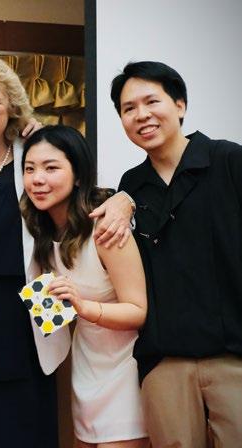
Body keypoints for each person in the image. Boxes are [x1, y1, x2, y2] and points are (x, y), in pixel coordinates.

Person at [0, 56, 135, 448]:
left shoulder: (30, 156)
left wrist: (126, 200)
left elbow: (82, 194)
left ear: (12, 108)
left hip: (23, 338)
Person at [111, 61, 242, 448]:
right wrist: (121, 199)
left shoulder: (228, 160)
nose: (141, 115)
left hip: (234, 357)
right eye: (129, 108)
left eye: (152, 101)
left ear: (180, 105)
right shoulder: (132, 185)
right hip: (166, 363)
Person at [21, 125, 148, 448]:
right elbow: (52, 317)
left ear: (78, 175)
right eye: (29, 169)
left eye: (51, 168)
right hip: (84, 367)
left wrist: (84, 307)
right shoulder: (39, 233)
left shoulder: (106, 228)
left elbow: (138, 311)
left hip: (125, 371)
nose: (37, 179)